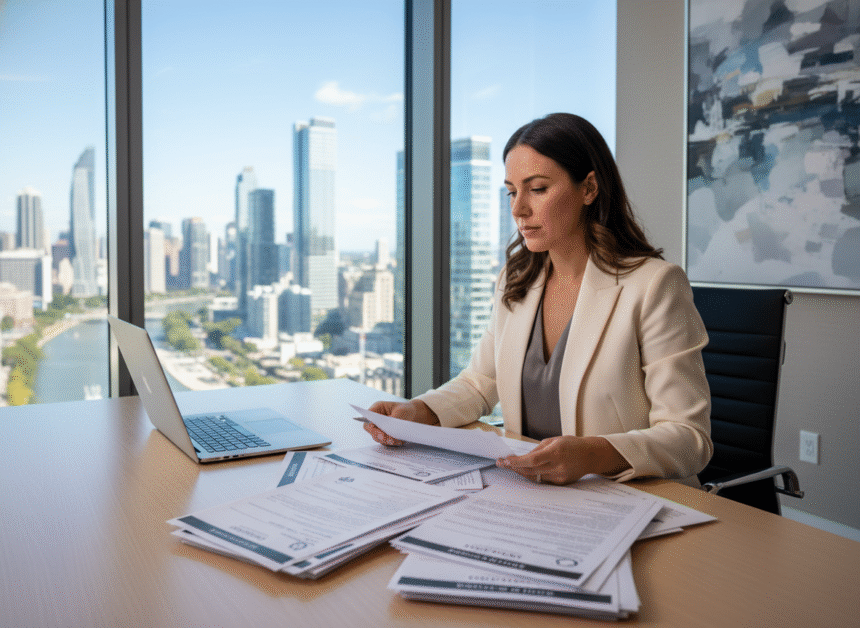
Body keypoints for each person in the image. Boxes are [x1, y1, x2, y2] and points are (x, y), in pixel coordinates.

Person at [365, 113, 712, 487]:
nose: (518, 209)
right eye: (512, 192)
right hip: (532, 495)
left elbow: (689, 438)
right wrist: (419, 411)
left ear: (589, 188)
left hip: (630, 496)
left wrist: (594, 454)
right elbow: (481, 381)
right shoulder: (515, 281)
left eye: (538, 189)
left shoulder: (655, 285)